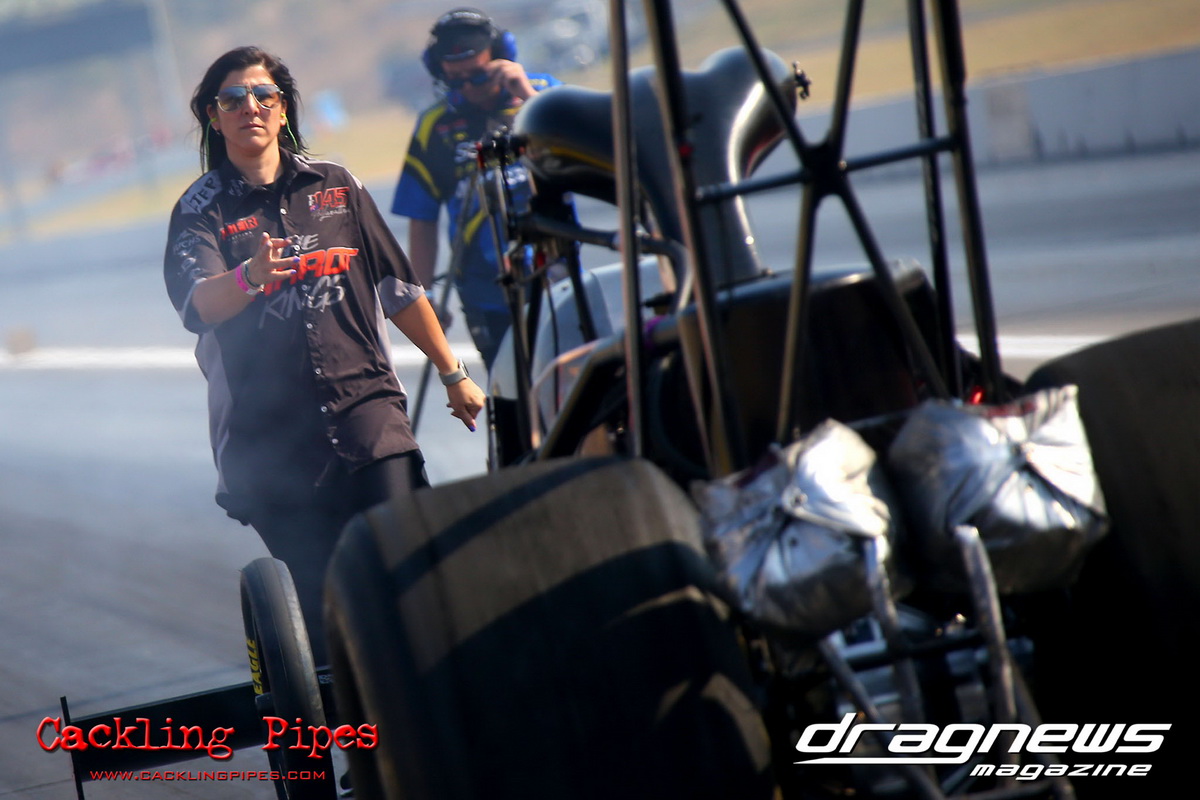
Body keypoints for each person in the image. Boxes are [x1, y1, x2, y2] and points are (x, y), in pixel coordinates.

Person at [163, 45, 486, 663]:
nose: (250, 108)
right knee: (324, 616)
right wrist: (250, 277)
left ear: (283, 109)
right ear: (213, 116)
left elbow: (400, 289)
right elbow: (198, 306)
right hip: (273, 446)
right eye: (232, 99)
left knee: (409, 578)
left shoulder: (337, 185)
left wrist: (453, 373)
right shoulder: (199, 211)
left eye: (263, 95)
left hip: (369, 416)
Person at [391, 7, 561, 369]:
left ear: (501, 59)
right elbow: (421, 217)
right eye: (456, 81)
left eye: (478, 76)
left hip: (558, 274)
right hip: (486, 290)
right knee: (511, 388)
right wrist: (426, 296)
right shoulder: (434, 126)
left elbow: (591, 150)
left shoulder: (544, 97)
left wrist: (525, 94)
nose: (468, 88)